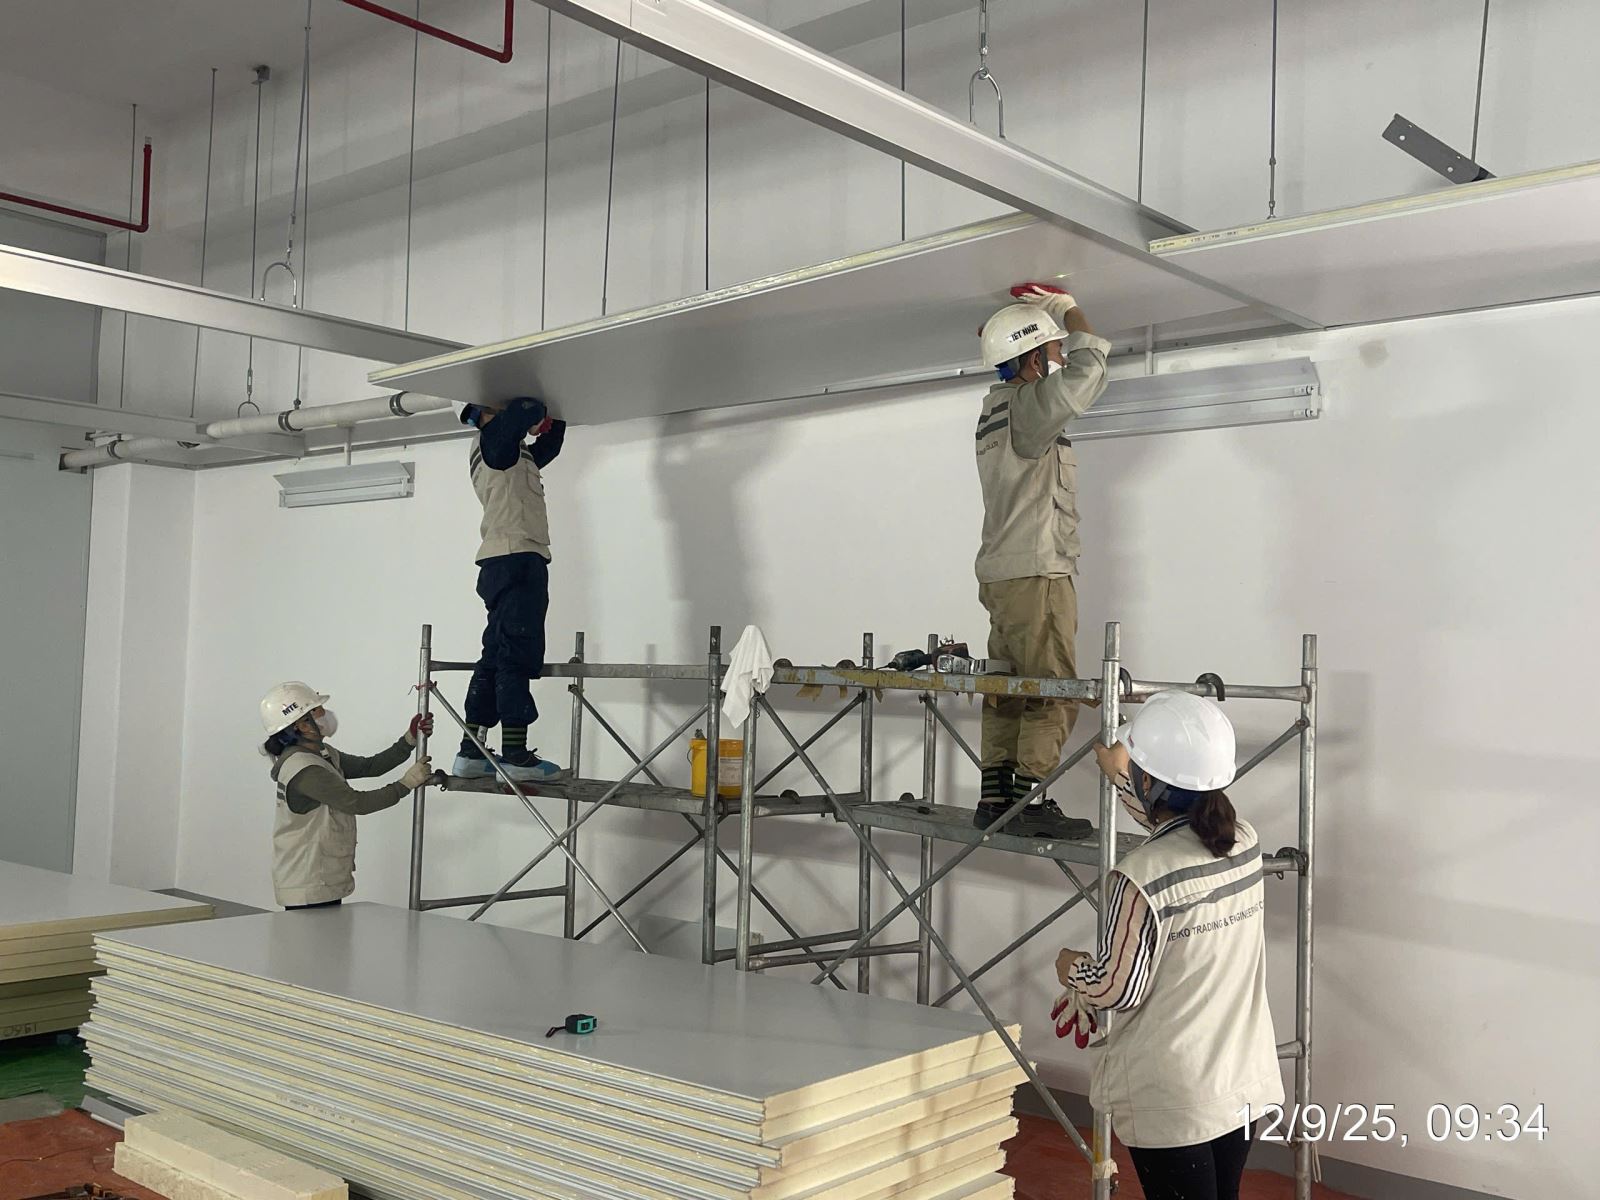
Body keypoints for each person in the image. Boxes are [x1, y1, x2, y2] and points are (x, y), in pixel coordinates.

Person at [1055, 691, 1282, 1200]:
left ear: (1150, 783)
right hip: (1239, 1081)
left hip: (1175, 1097)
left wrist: (1069, 967)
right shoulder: (1244, 843)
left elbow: (1116, 989)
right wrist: (1123, 774)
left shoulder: (1140, 876)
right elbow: (1174, 825)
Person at [972, 285, 1111, 836]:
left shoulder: (994, 411)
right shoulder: (1027, 409)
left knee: (1006, 690)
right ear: (1031, 359)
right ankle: (1028, 805)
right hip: (1037, 575)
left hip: (1002, 577)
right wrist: (1069, 311)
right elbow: (1090, 371)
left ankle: (995, 800)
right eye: (1050, 353)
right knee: (1052, 690)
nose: (1056, 361)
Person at [450, 397, 569, 783]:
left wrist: (554, 420)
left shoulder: (510, 451)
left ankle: (472, 751)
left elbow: (548, 446)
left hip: (507, 561)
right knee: (517, 655)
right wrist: (532, 414)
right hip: (517, 561)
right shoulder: (495, 440)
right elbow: (526, 408)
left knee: (496, 655)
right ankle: (515, 756)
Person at [258, 681, 433, 910]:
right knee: (313, 935)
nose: (326, 714)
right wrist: (406, 784)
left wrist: (409, 739)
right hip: (308, 883)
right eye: (318, 710)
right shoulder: (304, 769)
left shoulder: (322, 754)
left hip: (319, 878)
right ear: (302, 725)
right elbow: (357, 803)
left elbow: (370, 766)